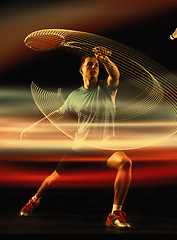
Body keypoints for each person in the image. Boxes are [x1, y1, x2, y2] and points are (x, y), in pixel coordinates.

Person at [19, 46, 132, 229]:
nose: (94, 67)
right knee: (53, 179)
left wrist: (105, 59)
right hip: (80, 148)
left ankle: (114, 214)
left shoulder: (107, 88)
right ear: (81, 70)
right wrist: (32, 127)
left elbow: (115, 75)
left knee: (125, 162)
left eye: (96, 65)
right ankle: (34, 200)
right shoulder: (74, 96)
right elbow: (57, 113)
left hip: (105, 147)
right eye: (90, 64)